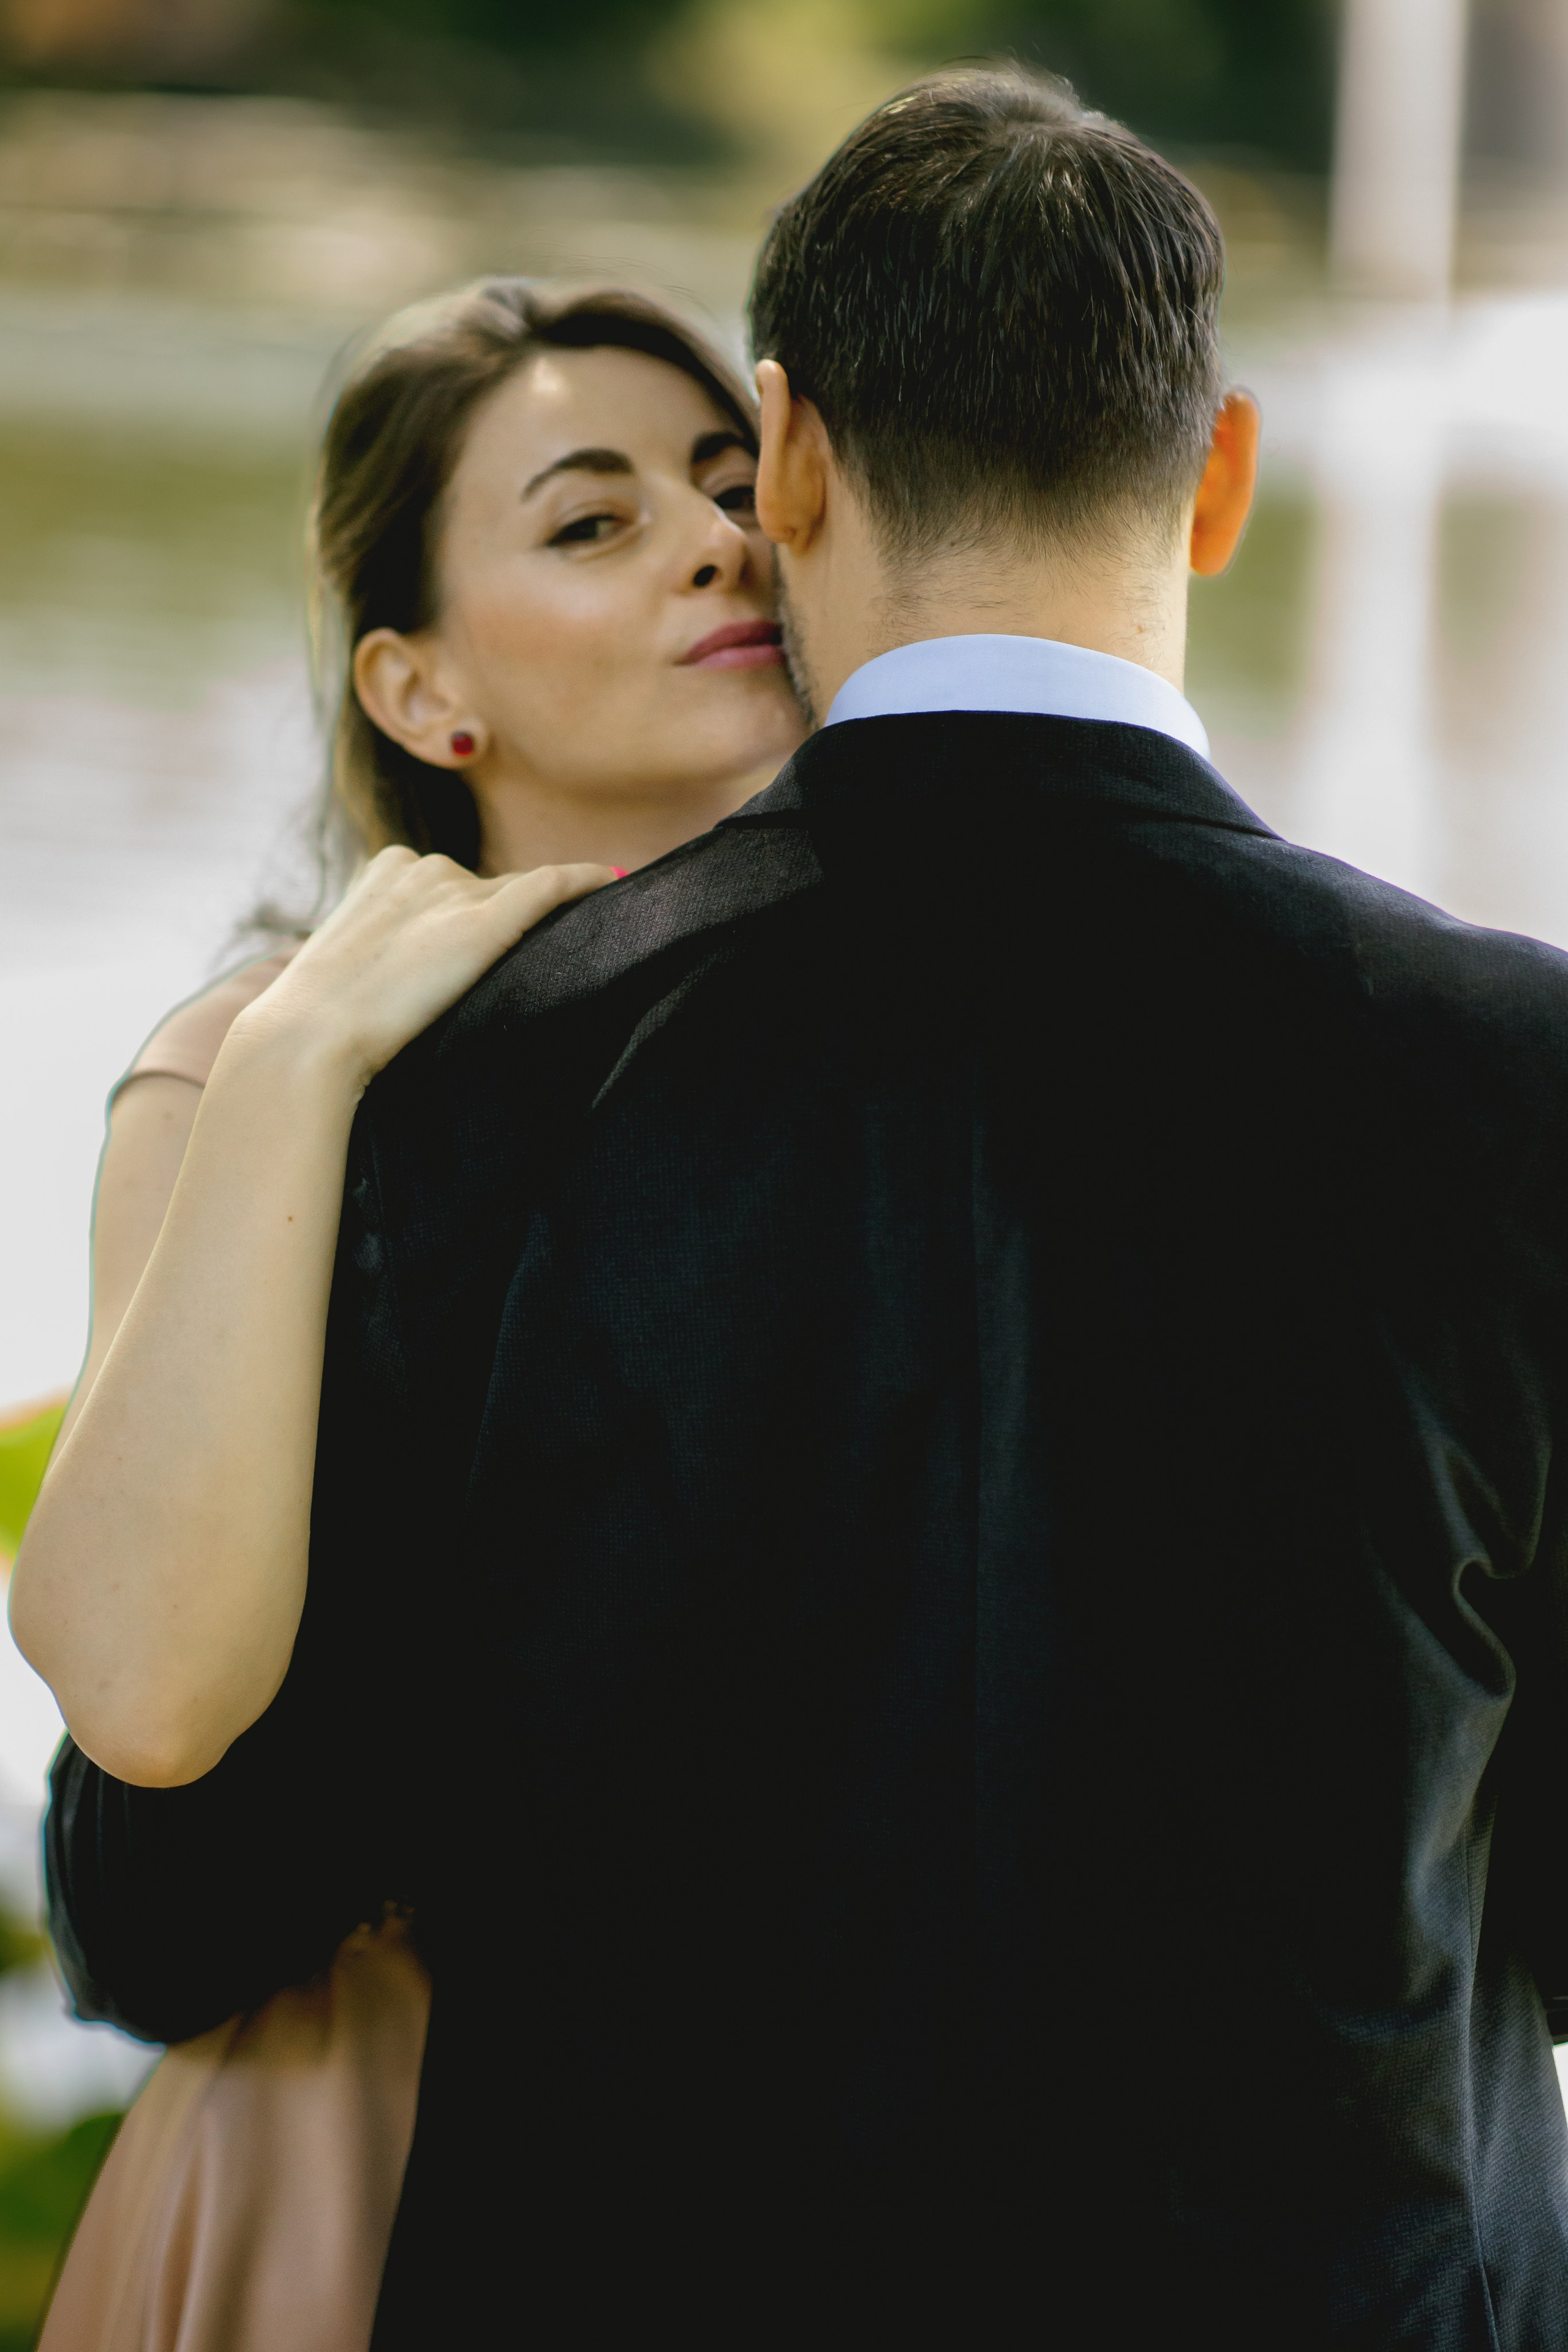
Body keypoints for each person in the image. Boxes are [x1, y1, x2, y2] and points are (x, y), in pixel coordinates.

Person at [31, 62, 1568, 2348]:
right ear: (1223, 470)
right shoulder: (1507, 1071)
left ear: (805, 458)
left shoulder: (476, 1077)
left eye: (729, 484)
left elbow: (184, 1874)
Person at [13, 277, 802, 2349]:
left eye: (736, 486)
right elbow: (149, 1699)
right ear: (424, 692)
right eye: (592, 520)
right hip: (357, 2151)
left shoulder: (903, 1052)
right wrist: (295, 1064)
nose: (718, 538)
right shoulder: (259, 1065)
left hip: (799, 2157)